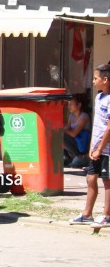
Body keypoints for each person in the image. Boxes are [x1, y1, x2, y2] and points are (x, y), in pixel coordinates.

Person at [70, 64, 110, 227]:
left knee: (107, 181)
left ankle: (107, 215)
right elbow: (98, 125)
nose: (93, 82)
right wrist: (92, 147)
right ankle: (87, 214)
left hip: (107, 150)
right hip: (96, 149)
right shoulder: (98, 97)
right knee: (90, 178)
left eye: (95, 78)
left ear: (105, 80)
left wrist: (100, 148)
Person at [64, 93, 91, 168]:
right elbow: (67, 128)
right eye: (68, 104)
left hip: (83, 144)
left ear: (79, 105)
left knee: (62, 136)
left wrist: (64, 131)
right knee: (58, 135)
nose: (69, 106)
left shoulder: (84, 116)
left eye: (71, 104)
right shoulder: (71, 116)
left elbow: (74, 134)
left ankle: (81, 156)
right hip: (76, 142)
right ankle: (68, 157)